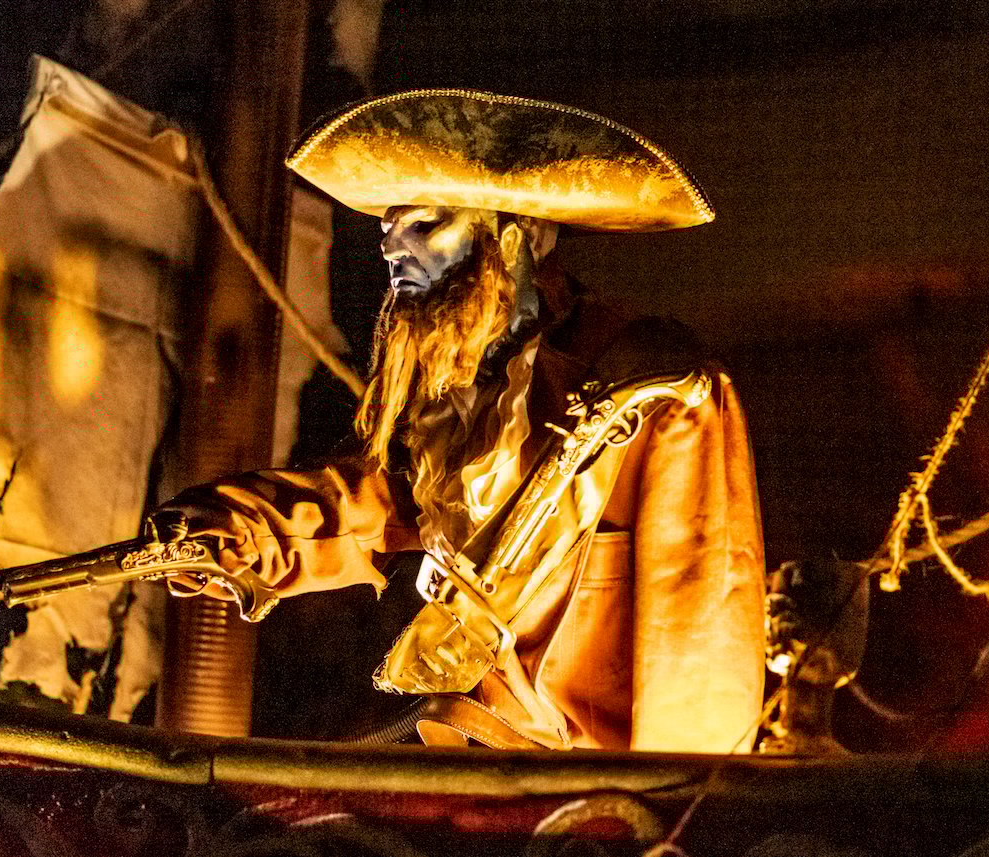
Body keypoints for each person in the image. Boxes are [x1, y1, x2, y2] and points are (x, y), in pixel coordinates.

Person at [156, 90, 765, 752]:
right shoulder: (454, 399)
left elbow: (701, 635)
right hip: (476, 750)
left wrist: (672, 817)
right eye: (388, 230)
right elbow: (377, 503)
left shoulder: (659, 390)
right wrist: (240, 528)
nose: (394, 252)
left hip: (596, 795)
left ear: (524, 235)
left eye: (427, 225)